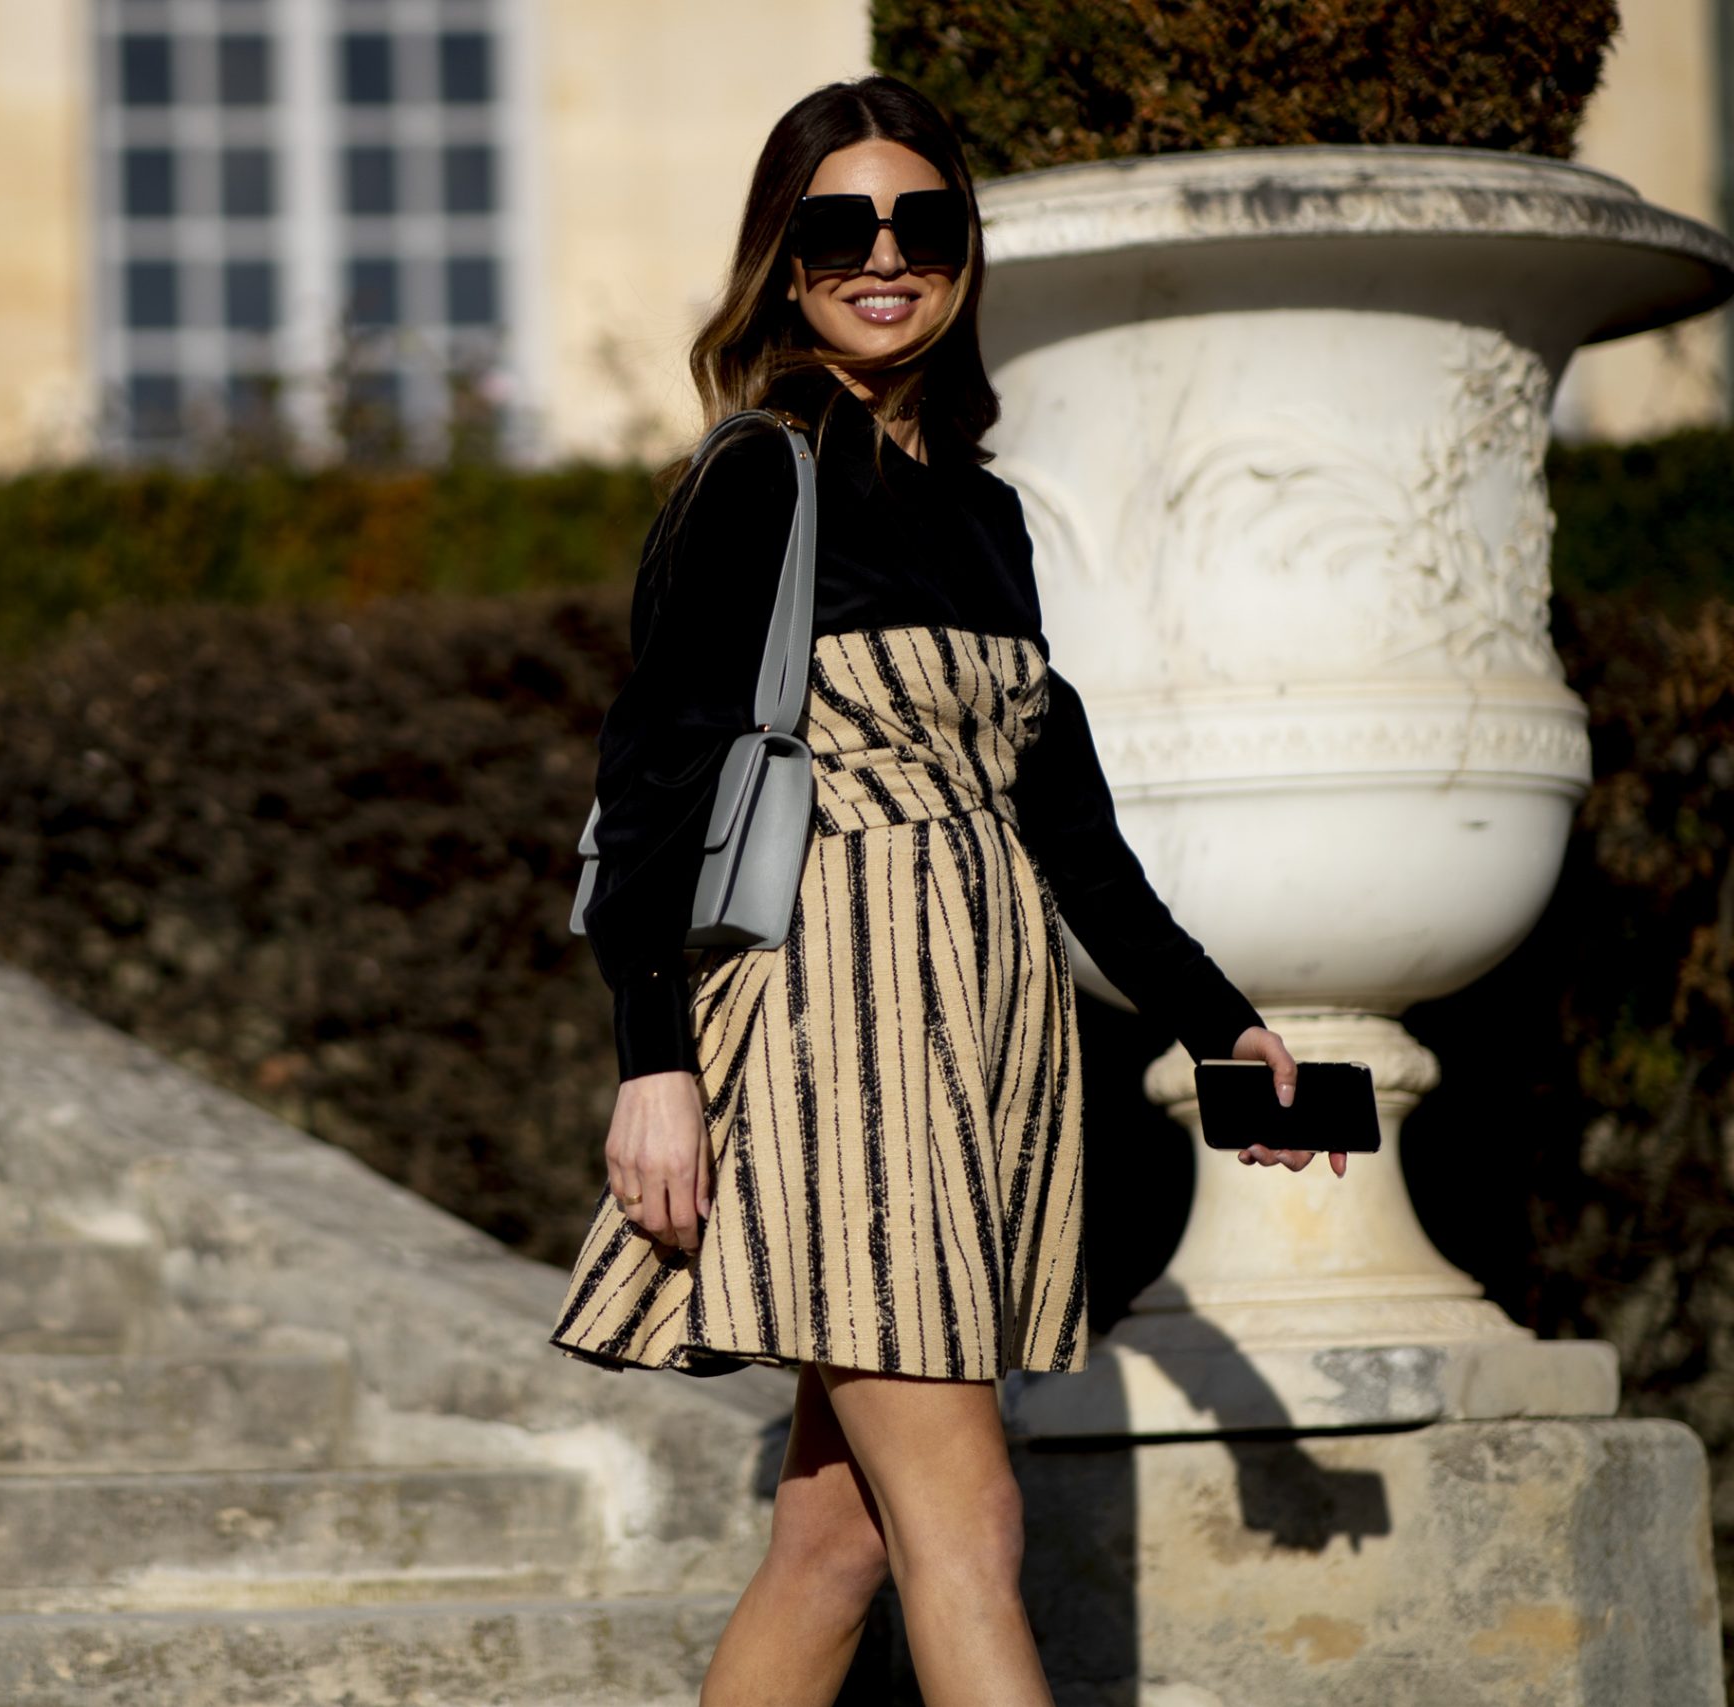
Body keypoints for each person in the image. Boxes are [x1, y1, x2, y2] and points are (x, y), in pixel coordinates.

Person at [545, 74, 1351, 1706]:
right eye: (840, 228)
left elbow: (1068, 828)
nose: (884, 256)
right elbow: (650, 792)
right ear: (785, 260)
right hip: (840, 1023)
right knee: (969, 1523)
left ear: (966, 248)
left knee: (837, 1543)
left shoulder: (987, 514)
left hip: (982, 1035)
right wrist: (655, 1063)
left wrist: (1224, 1028)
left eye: (923, 222)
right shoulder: (758, 481)